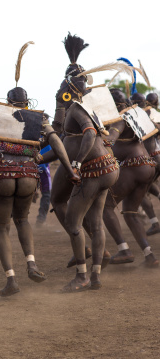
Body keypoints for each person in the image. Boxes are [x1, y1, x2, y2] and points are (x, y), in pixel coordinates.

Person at [0, 41, 78, 296]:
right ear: (26, 102)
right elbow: (55, 140)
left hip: (2, 175)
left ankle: (11, 280)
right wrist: (69, 169)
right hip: (28, 176)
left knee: (2, 227)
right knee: (22, 219)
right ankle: (32, 264)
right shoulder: (38, 118)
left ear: (9, 101)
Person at [50, 33, 121, 292]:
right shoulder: (87, 104)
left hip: (93, 169)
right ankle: (97, 275)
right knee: (96, 220)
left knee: (73, 222)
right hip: (108, 168)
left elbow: (89, 133)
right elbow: (64, 140)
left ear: (69, 87)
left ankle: (82, 276)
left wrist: (78, 163)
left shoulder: (78, 108)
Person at [101, 88, 158, 267]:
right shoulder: (137, 115)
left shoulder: (121, 118)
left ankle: (124, 250)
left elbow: (110, 140)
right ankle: (150, 255)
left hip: (134, 167)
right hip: (148, 167)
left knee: (105, 206)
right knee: (130, 212)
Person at [36, 145, 52, 226]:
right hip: (43, 168)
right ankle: (41, 219)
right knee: (47, 194)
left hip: (26, 166)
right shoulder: (48, 138)